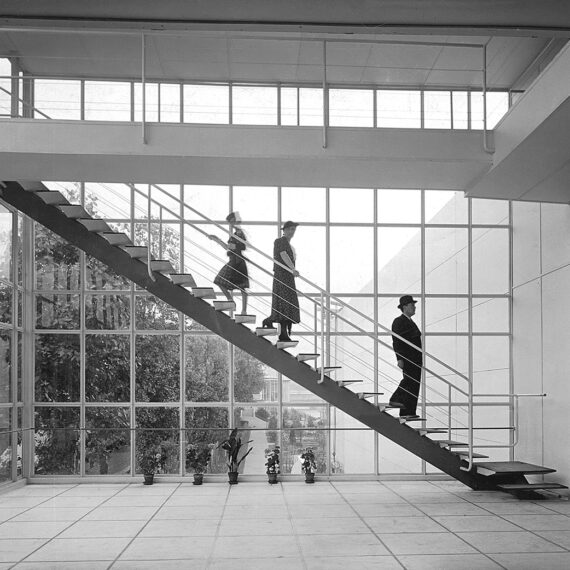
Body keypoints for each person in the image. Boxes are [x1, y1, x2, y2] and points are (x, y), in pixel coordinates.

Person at [262, 221, 300, 342]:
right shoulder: (280, 241)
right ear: (284, 230)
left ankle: (272, 323)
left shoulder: (290, 245)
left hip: (288, 277)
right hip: (282, 276)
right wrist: (293, 269)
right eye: (290, 229)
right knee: (284, 303)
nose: (292, 232)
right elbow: (283, 255)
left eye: (293, 229)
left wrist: (292, 271)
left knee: (287, 304)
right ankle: (282, 333)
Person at [389, 295, 422, 418]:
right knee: (409, 381)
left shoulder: (410, 321)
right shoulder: (399, 321)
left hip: (416, 359)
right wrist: (399, 358)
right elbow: (396, 341)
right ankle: (395, 399)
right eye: (412, 305)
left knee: (414, 384)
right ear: (404, 307)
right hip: (408, 358)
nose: (414, 307)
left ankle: (408, 412)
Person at [210, 211, 249, 314]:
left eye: (233, 221)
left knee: (242, 286)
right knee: (220, 280)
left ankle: (243, 309)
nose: (232, 224)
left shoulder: (239, 233)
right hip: (233, 261)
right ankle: (231, 301)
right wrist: (216, 239)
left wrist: (218, 240)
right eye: (230, 222)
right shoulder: (236, 234)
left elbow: (242, 246)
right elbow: (228, 247)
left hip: (238, 261)